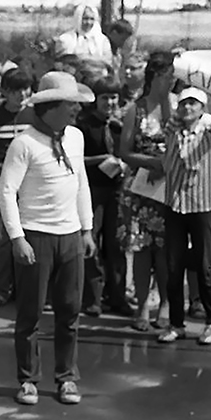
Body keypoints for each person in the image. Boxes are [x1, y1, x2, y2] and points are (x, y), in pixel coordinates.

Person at [0, 72, 95, 407]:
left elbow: (81, 181)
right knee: (30, 314)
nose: (77, 111)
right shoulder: (24, 143)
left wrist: (87, 228)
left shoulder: (77, 138)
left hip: (69, 236)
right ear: (52, 106)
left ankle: (66, 377)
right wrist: (17, 237)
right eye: (72, 104)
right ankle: (28, 379)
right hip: (36, 236)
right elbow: (6, 193)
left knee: (70, 311)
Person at [159, 86, 211, 346]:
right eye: (184, 103)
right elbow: (165, 99)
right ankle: (176, 323)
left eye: (194, 104)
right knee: (173, 266)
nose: (187, 108)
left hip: (200, 207)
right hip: (175, 205)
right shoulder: (172, 129)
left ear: (202, 108)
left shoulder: (208, 132)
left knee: (205, 266)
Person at [119, 52, 175, 334]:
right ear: (155, 77)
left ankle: (165, 303)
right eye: (167, 77)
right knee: (142, 250)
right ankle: (142, 304)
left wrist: (166, 166)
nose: (171, 81)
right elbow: (125, 151)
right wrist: (152, 163)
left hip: (169, 188)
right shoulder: (136, 109)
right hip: (140, 188)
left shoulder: (178, 108)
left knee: (166, 251)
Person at [0, 66, 34, 312]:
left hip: (30, 183)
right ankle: (1, 288)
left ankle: (28, 288)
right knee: (1, 237)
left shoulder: (35, 115)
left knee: (29, 235)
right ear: (5, 92)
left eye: (25, 89)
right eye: (15, 91)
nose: (21, 95)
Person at [78, 76, 130, 317]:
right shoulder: (84, 125)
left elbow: (130, 153)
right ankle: (93, 298)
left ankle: (118, 296)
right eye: (105, 98)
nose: (109, 103)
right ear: (96, 100)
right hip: (93, 189)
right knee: (93, 243)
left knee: (116, 243)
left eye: (113, 98)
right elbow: (77, 159)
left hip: (118, 189)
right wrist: (100, 159)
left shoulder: (120, 125)